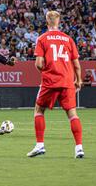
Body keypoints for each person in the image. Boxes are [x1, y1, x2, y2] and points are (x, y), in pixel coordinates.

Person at [26, 11, 85, 159]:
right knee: (72, 114)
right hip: (67, 81)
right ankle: (79, 148)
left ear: (47, 22)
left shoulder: (42, 38)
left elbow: (38, 63)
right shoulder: (68, 39)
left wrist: (46, 71)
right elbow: (76, 64)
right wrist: (78, 80)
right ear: (59, 22)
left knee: (39, 110)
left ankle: (40, 145)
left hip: (50, 81)